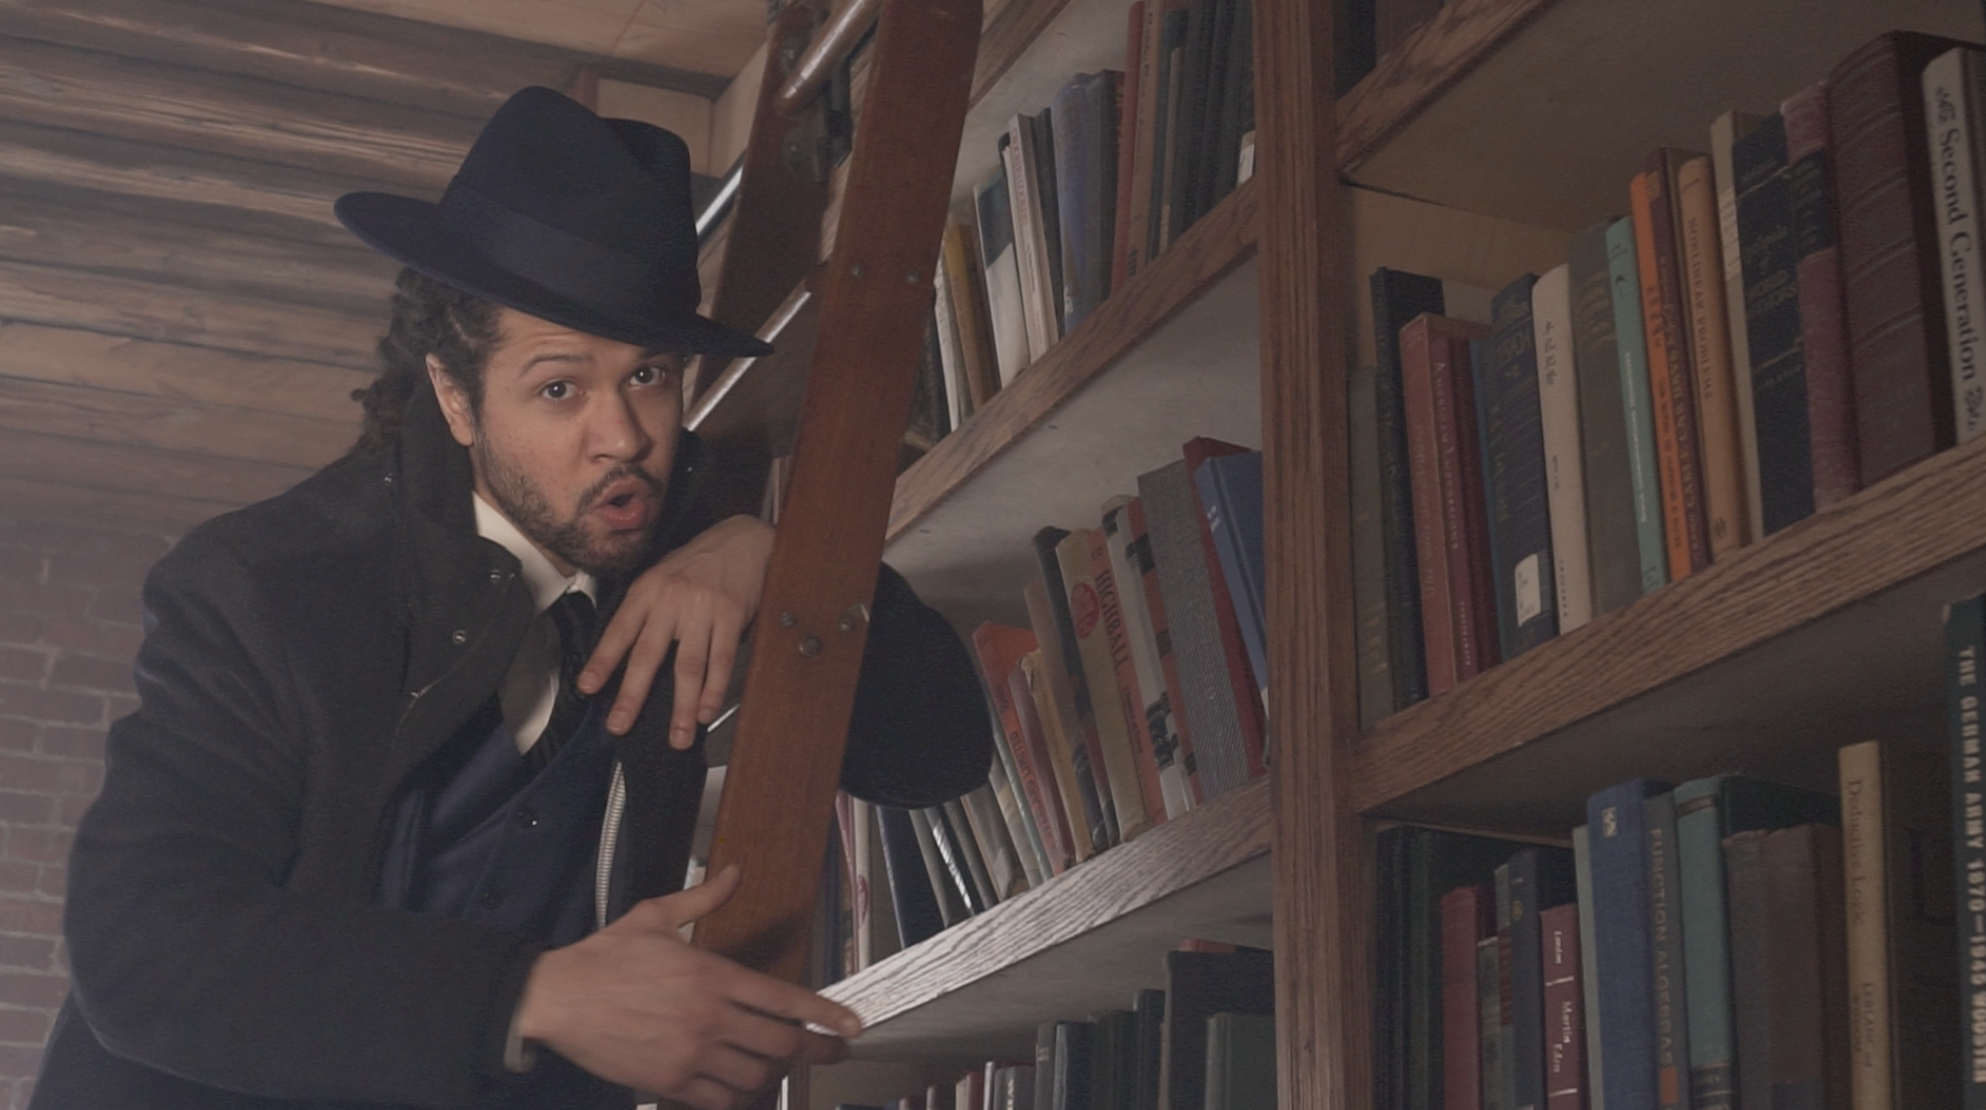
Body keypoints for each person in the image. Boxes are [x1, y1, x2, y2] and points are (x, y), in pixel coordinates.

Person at [31, 87, 990, 1110]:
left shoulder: (697, 545)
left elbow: (937, 758)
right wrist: (528, 996)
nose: (623, 437)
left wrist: (780, 563)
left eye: (650, 376)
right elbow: (144, 947)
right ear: (456, 396)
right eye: (560, 388)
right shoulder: (265, 584)